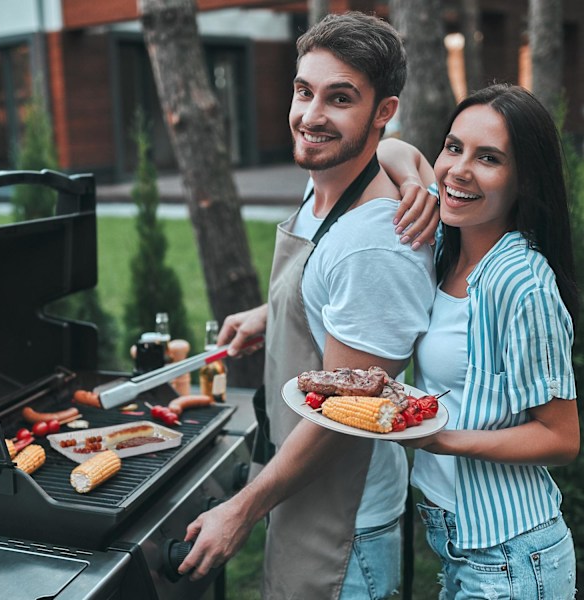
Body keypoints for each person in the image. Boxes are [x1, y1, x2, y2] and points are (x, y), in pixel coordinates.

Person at [177, 12, 438, 599]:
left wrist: (243, 509)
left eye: (339, 98)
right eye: (304, 91)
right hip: (301, 489)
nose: (311, 116)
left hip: (345, 523)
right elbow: (325, 289)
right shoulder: (331, 173)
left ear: (383, 112)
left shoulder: (375, 245)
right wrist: (275, 313)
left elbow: (343, 421)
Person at [400, 84, 580, 599]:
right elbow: (392, 151)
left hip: (510, 555)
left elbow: (561, 437)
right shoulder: (444, 242)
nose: (458, 170)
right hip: (457, 539)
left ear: (524, 179)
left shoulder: (522, 282)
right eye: (453, 147)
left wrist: (439, 439)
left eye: (489, 158)